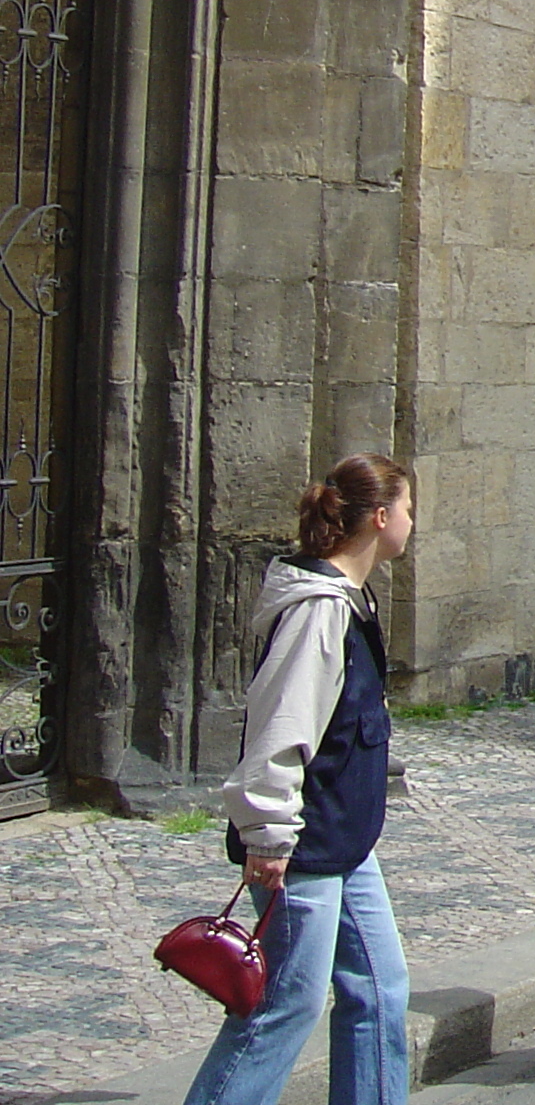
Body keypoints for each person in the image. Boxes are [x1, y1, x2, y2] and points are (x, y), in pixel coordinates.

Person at [186, 455, 415, 1105]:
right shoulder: (319, 610)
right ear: (379, 517)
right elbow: (280, 726)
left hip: (344, 842)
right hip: (303, 849)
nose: (410, 522)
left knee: (379, 988)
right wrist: (267, 834)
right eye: (407, 509)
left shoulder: (346, 599)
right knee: (283, 1007)